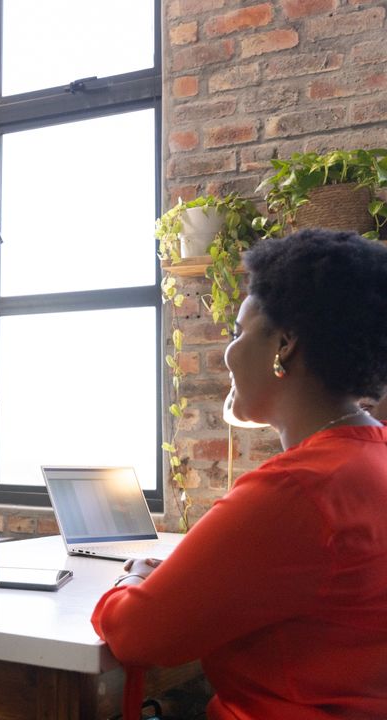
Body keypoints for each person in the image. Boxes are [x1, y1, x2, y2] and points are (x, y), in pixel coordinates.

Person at [92, 228, 387, 719]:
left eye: (238, 332)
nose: (228, 353)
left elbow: (137, 635)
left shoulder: (297, 487)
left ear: (285, 344)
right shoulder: (370, 459)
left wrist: (136, 578)